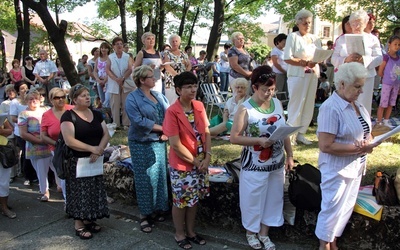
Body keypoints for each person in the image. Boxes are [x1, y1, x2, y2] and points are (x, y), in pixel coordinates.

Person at [315, 62, 380, 250]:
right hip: (337, 169)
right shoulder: (331, 107)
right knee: (331, 209)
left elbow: (366, 130)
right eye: (357, 86)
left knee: (344, 210)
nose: (361, 91)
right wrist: (359, 148)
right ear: (342, 84)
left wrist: (371, 140)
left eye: (362, 86)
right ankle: (324, 246)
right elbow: (326, 145)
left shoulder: (357, 104)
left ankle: (333, 243)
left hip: (355, 166)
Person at [230, 65, 294, 250]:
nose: (269, 94)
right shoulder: (245, 108)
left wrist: (289, 154)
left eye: (272, 89)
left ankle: (265, 233)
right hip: (255, 163)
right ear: (255, 87)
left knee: (274, 198)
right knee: (253, 198)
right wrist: (257, 140)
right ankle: (251, 232)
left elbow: (284, 131)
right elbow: (234, 137)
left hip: (276, 163)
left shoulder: (278, 104)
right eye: (265, 90)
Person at [163, 71, 210, 250]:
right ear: (177, 90)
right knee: (181, 200)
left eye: (194, 86)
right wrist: (196, 162)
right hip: (183, 164)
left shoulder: (198, 105)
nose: (193, 90)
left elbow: (206, 131)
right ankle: (179, 233)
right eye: (188, 87)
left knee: (194, 199)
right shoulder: (172, 112)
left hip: (201, 162)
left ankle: (191, 231)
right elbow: (175, 144)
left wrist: (207, 156)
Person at [60, 84, 110, 240]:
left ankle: (90, 218)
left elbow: (106, 134)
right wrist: (91, 149)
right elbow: (69, 141)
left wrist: (99, 149)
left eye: (88, 94)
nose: (88, 97)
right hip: (77, 161)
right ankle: (79, 223)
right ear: (74, 99)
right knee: (79, 192)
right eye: (83, 95)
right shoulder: (68, 116)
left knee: (94, 190)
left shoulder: (96, 114)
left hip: (95, 159)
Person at [125, 65, 170, 233]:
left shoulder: (158, 96)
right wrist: (161, 129)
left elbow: (170, 114)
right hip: (141, 142)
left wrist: (168, 131)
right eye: (151, 76)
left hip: (159, 141)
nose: (155, 78)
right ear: (142, 80)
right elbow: (138, 121)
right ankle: (145, 214)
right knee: (145, 178)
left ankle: (160, 208)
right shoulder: (132, 98)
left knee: (159, 176)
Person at [331, 9, 383, 115]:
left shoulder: (372, 39)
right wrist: (346, 59)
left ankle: (364, 130)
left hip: (366, 77)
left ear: (365, 24)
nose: (356, 26)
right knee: (345, 104)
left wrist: (364, 60)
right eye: (353, 23)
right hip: (346, 78)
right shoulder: (341, 39)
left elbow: (379, 58)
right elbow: (333, 58)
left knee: (363, 106)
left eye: (359, 23)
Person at [284, 9, 322, 145]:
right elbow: (287, 57)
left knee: (308, 104)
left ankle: (301, 133)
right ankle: (290, 135)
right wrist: (301, 62)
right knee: (296, 104)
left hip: (312, 74)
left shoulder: (314, 38)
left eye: (310, 23)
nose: (308, 25)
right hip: (297, 74)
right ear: (298, 23)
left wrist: (315, 61)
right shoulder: (292, 37)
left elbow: (319, 55)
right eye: (305, 23)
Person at [18, 90, 53, 202]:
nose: (34, 101)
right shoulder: (23, 114)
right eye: (30, 99)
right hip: (36, 147)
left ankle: (61, 187)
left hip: (52, 144)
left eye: (36, 98)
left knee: (57, 168)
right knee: (41, 171)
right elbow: (23, 134)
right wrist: (41, 141)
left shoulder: (47, 109)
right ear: (26, 101)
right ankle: (45, 191)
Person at [41, 88, 74, 199]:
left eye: (62, 97)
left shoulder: (72, 110)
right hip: (58, 149)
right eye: (57, 97)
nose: (60, 100)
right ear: (51, 100)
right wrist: (57, 144)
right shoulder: (46, 115)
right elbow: (43, 136)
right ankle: (67, 201)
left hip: (75, 146)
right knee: (64, 174)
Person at [10, 81, 37, 186]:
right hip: (21, 131)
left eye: (26, 87)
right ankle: (28, 176)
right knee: (26, 153)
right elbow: (12, 118)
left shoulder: (33, 100)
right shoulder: (15, 102)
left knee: (34, 152)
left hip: (34, 130)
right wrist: (25, 122)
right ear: (17, 91)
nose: (25, 90)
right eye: (22, 88)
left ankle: (35, 174)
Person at [106, 37, 136, 129]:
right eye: (117, 44)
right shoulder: (110, 57)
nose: (119, 46)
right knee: (115, 104)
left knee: (126, 103)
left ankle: (126, 123)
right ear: (113, 46)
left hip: (125, 82)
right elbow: (107, 69)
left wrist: (122, 78)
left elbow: (130, 69)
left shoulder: (127, 56)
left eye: (121, 44)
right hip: (114, 83)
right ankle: (116, 123)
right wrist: (116, 79)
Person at [376, 35, 400, 127]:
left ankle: (386, 120)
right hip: (387, 84)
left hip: (396, 84)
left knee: (391, 103)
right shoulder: (386, 57)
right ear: (389, 44)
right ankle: (379, 121)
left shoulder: (399, 58)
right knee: (383, 103)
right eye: (395, 44)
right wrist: (385, 78)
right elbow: (380, 71)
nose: (397, 46)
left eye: (399, 44)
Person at [163, 34, 191, 104]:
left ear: (179, 42)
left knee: (182, 100)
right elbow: (167, 66)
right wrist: (177, 76)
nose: (175, 43)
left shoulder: (183, 53)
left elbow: (189, 64)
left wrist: (185, 74)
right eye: (173, 41)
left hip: (182, 79)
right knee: (171, 100)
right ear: (170, 43)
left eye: (176, 41)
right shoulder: (167, 53)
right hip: (171, 80)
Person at [0, 118, 16, 219]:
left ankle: (4, 207)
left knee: (4, 181)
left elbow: (10, 130)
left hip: (3, 150)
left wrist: (1, 131)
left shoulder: (1, 115)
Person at [93, 42, 111, 107]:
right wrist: (98, 80)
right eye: (102, 48)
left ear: (108, 49)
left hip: (108, 81)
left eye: (105, 48)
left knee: (108, 98)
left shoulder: (110, 58)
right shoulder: (98, 59)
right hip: (99, 82)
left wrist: (105, 80)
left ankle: (109, 112)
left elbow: (111, 70)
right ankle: (105, 114)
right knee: (102, 99)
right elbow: (95, 71)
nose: (103, 49)